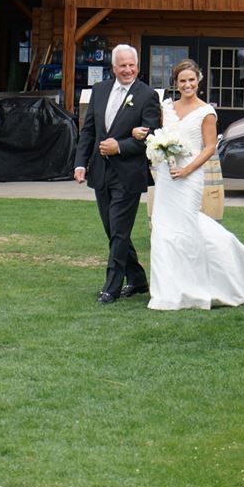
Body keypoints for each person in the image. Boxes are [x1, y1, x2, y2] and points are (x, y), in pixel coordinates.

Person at [133, 59, 244, 311]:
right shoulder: (167, 107)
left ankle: (211, 280)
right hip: (167, 176)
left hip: (190, 175)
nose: (187, 85)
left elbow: (210, 147)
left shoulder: (206, 112)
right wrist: (145, 138)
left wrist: (187, 169)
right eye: (182, 81)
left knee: (187, 228)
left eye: (191, 80)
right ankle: (167, 291)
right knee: (163, 230)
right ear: (176, 83)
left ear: (198, 81)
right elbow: (157, 134)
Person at [74, 44, 161, 304]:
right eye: (123, 65)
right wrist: (80, 163)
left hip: (129, 174)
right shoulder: (99, 90)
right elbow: (89, 131)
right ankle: (137, 279)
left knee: (120, 231)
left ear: (137, 66)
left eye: (132, 65)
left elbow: (153, 137)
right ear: (113, 67)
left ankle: (111, 287)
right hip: (100, 172)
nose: (128, 70)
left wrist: (120, 146)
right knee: (112, 229)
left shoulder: (147, 95)